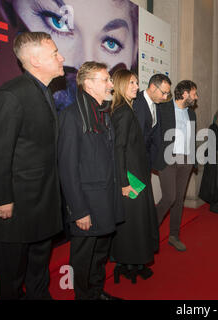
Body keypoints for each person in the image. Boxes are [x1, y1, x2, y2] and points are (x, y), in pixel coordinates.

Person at [0, 31, 64, 300]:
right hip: (17, 205)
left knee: (39, 266)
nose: (62, 58)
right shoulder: (12, 95)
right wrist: (1, 199)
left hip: (43, 200)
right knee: (12, 276)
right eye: (55, 53)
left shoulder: (44, 92)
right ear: (35, 60)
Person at [58, 61, 124, 300]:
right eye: (105, 80)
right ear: (88, 84)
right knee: (84, 257)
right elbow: (67, 168)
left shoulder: (103, 113)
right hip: (87, 204)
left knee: (100, 253)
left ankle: (96, 293)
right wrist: (79, 210)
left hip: (106, 200)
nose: (111, 85)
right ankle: (83, 296)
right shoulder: (72, 116)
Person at [0, 0, 139, 111]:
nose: (85, 63)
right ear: (7, 8)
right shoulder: (11, 98)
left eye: (110, 43)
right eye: (58, 23)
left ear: (134, 52)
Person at [109, 69, 159, 284]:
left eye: (136, 82)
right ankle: (127, 265)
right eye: (131, 83)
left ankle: (135, 264)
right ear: (120, 85)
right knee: (132, 224)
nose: (136, 87)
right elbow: (117, 149)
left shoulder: (126, 109)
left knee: (136, 222)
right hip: (131, 178)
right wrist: (124, 182)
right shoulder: (122, 112)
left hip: (137, 173)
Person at [153, 80, 198, 252]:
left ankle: (174, 235)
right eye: (194, 94)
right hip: (168, 160)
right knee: (169, 198)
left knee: (179, 199)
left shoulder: (191, 114)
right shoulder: (163, 109)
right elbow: (154, 135)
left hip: (186, 161)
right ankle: (150, 231)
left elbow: (191, 138)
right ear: (185, 94)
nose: (196, 97)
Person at [133, 73, 172, 169]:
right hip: (134, 163)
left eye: (167, 94)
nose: (165, 97)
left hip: (147, 161)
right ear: (153, 87)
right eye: (163, 93)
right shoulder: (136, 102)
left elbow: (155, 135)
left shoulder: (157, 105)